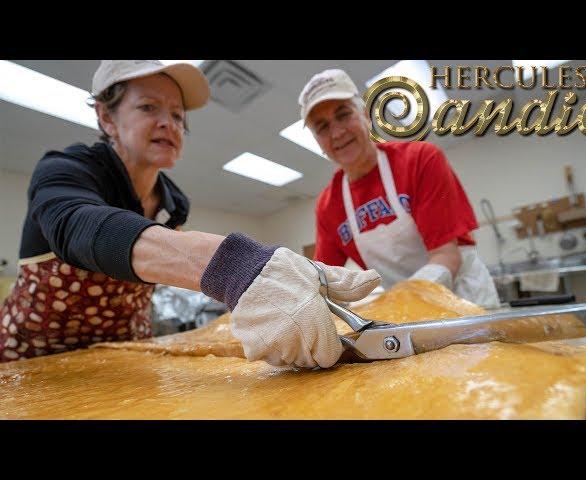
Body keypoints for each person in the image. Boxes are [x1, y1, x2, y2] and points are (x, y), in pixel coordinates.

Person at [0, 60, 380, 367]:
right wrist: (236, 267)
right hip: (33, 361)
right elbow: (79, 226)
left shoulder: (173, 204)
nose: (169, 123)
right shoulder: (67, 171)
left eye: (178, 115)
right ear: (106, 117)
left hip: (125, 356)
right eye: (149, 107)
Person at [299, 69, 500, 308]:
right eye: (322, 127)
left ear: (365, 116)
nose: (337, 132)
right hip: (405, 313)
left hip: (465, 298)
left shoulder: (419, 160)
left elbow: (446, 255)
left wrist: (400, 302)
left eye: (343, 115)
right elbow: (323, 283)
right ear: (317, 141)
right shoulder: (328, 206)